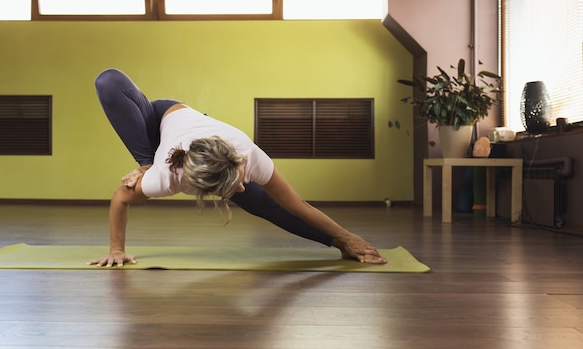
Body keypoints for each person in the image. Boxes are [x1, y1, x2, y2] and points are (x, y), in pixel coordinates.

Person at [89, 69, 387, 267]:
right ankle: (145, 160)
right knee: (107, 83)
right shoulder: (167, 178)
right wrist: (116, 249)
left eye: (239, 180)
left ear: (238, 162)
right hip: (151, 127)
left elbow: (298, 206)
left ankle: (338, 244)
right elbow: (120, 197)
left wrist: (348, 238)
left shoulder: (248, 155)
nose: (242, 187)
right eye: (231, 190)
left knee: (266, 205)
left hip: (173, 126)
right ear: (199, 189)